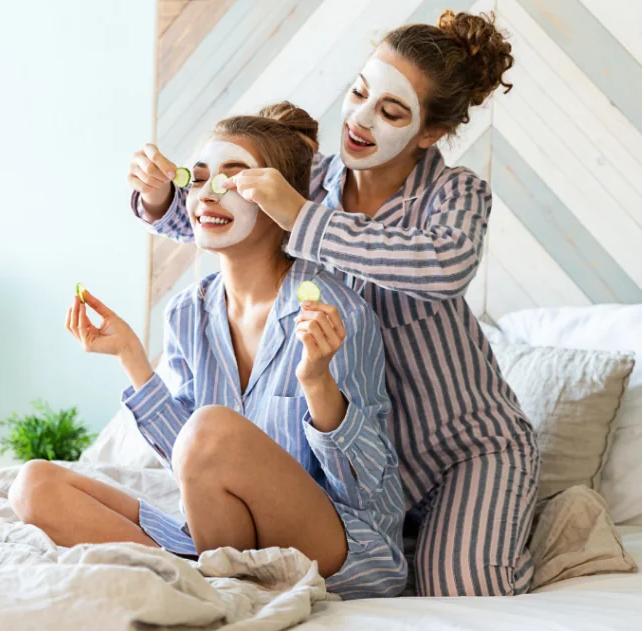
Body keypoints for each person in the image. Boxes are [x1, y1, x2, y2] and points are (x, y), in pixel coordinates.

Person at [127, 11, 539, 597]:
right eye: (359, 92)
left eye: (391, 112)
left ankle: (511, 525)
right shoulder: (311, 178)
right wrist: (161, 194)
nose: (361, 119)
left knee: (458, 589)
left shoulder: (455, 194)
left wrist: (300, 216)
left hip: (460, 451)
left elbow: (444, 267)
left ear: (427, 133)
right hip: (365, 459)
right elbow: (221, 214)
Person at [10, 104, 407, 600]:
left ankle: (209, 586)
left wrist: (318, 383)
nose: (206, 193)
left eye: (232, 176)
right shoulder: (187, 315)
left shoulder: (336, 313)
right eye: (197, 179)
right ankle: (202, 586)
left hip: (337, 547)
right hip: (220, 542)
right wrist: (132, 356)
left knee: (210, 429)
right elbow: (191, 461)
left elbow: (369, 487)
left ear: (280, 199)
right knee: (34, 485)